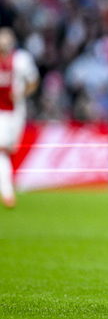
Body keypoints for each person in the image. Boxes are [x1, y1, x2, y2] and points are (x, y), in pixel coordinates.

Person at [0, 27, 40, 208]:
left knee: (8, 151)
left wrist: (22, 93)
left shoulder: (21, 59)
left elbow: (33, 81)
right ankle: (7, 193)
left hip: (15, 112)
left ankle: (7, 190)